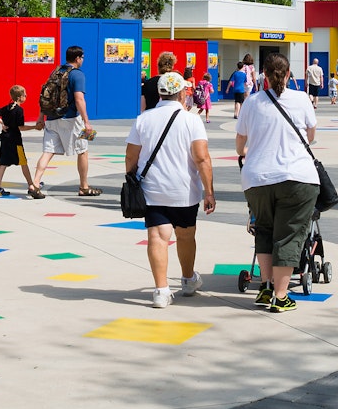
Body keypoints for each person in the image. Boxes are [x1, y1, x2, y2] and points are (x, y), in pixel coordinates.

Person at [235, 53, 319, 314]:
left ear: (263, 74)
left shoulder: (252, 103)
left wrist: (248, 152)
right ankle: (281, 297)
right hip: (297, 178)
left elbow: (240, 144)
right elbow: (311, 135)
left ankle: (266, 286)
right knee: (289, 234)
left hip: (257, 178)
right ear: (289, 73)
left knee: (264, 230)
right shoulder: (302, 98)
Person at [124, 72, 216, 308]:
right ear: (182, 93)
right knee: (186, 235)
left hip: (152, 188)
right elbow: (201, 157)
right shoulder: (191, 120)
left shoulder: (143, 119)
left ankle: (161, 290)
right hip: (184, 190)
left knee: (157, 236)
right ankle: (187, 280)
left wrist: (132, 178)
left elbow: (131, 156)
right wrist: (209, 191)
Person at [35, 45, 99, 197]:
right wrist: (86, 122)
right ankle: (84, 187)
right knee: (83, 151)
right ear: (77, 58)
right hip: (70, 119)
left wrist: (40, 117)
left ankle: (35, 183)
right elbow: (79, 99)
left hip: (51, 118)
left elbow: (46, 94)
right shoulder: (77, 75)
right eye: (82, 58)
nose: (82, 60)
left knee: (48, 152)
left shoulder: (56, 71)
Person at [0, 85, 43, 198]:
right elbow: (20, 127)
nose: (26, 96)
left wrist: (2, 123)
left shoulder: (7, 108)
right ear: (19, 97)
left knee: (3, 163)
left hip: (5, 139)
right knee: (23, 163)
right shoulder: (19, 110)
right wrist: (34, 127)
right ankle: (31, 185)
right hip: (15, 141)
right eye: (25, 95)